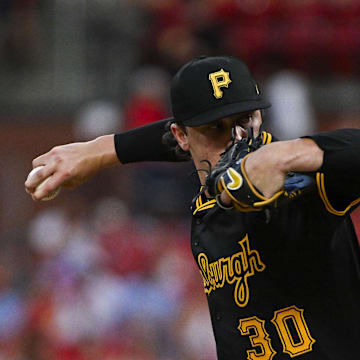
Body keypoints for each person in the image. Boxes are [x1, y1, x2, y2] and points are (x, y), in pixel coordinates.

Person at [25, 55, 360, 359]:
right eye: (214, 129)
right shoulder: (206, 192)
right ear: (181, 138)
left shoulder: (303, 180)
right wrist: (102, 149)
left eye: (245, 120)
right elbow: (204, 153)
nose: (236, 139)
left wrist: (293, 152)